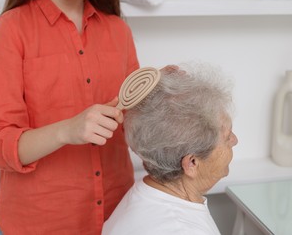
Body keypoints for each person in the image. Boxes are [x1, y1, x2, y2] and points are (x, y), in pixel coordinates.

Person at [0, 0, 139, 234]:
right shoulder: (11, 29)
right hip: (36, 225)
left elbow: (133, 125)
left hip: (115, 221)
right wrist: (67, 130)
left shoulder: (118, 31)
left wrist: (165, 94)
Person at [102, 64, 238, 235]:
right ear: (192, 163)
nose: (235, 140)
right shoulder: (183, 230)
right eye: (227, 137)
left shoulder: (142, 195)